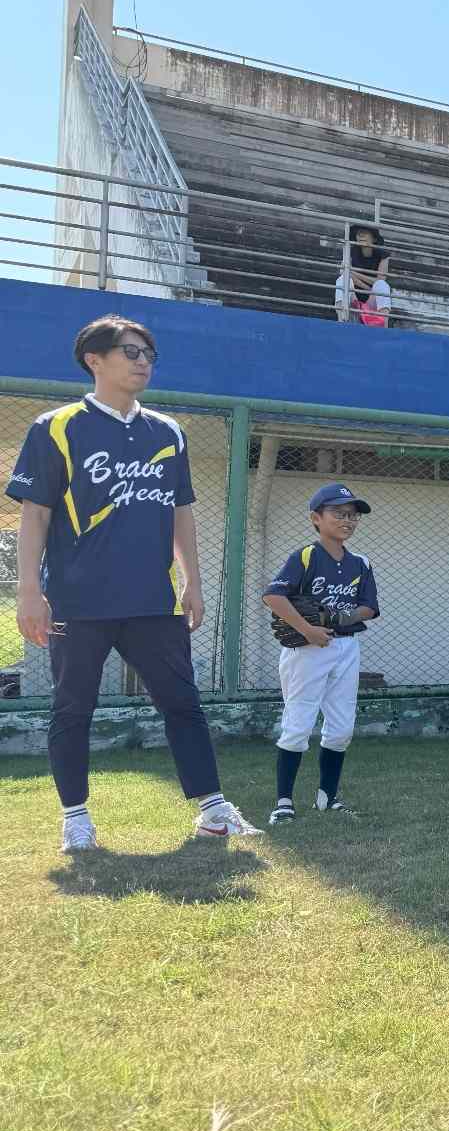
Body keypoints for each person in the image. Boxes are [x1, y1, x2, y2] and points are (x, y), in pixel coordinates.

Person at [7, 315, 259, 851]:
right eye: (130, 351)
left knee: (183, 703)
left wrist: (192, 581)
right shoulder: (56, 426)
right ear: (93, 360)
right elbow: (35, 515)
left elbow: (181, 513)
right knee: (72, 708)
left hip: (152, 600)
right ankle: (76, 818)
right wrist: (30, 589)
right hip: (78, 601)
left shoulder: (167, 432)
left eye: (148, 353)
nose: (143, 361)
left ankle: (214, 811)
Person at [261, 483, 380, 821]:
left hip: (345, 647)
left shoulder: (361, 563)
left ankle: (327, 798)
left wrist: (341, 617)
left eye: (353, 515)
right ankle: (283, 803)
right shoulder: (306, 555)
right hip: (307, 649)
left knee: (341, 728)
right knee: (298, 724)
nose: (348, 520)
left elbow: (369, 607)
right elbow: (274, 596)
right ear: (316, 517)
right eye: (338, 513)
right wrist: (308, 628)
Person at [336, 223, 392, 325]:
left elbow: (380, 280)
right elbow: (345, 273)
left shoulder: (383, 255)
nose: (361, 236)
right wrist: (369, 287)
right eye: (359, 234)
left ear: (374, 239)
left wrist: (353, 273)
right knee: (343, 279)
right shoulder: (349, 250)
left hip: (371, 301)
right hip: (353, 300)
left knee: (382, 286)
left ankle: (384, 327)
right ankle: (341, 321)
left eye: (365, 233)